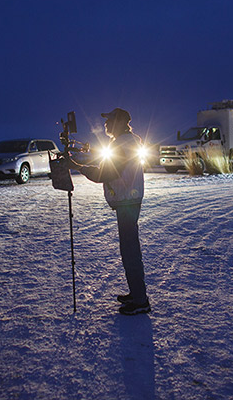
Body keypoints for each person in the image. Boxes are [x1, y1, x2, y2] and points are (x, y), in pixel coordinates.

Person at [64, 108, 150, 315]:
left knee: (130, 250)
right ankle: (136, 293)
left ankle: (140, 300)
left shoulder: (123, 144)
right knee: (129, 249)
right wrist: (81, 162)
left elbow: (106, 172)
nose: (106, 125)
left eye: (109, 120)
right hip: (128, 200)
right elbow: (107, 166)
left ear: (119, 122)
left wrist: (77, 166)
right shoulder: (125, 141)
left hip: (127, 202)